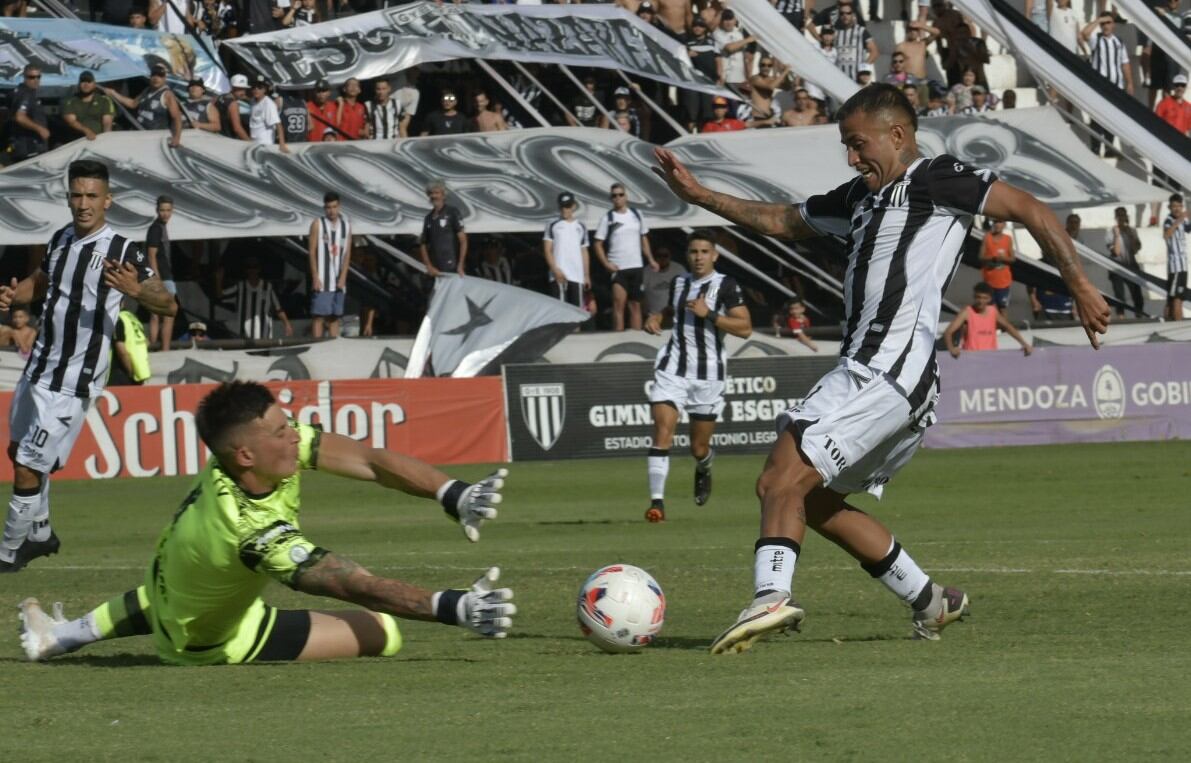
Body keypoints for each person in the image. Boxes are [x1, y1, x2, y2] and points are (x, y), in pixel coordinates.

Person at [652, 83, 1109, 653]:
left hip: (887, 368)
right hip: (891, 376)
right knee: (811, 499)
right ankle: (931, 600)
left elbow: (1031, 208)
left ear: (897, 136)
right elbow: (778, 218)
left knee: (779, 476)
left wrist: (1082, 285)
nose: (851, 157)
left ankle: (770, 597)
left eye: (857, 144)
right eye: (845, 146)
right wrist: (697, 193)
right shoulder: (859, 199)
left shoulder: (938, 178)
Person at [17, 381, 516, 665]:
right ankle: (95, 636)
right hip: (209, 641)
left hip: (169, 582)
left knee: (190, 589)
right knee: (384, 633)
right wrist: (455, 606)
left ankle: (60, 637)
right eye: (282, 432)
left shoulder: (244, 457)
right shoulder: (252, 533)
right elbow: (356, 586)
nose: (296, 437)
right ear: (247, 454)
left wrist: (451, 492)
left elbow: (365, 458)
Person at [0, 160, 178, 573]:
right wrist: (15, 296)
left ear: (107, 201)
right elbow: (41, 281)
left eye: (92, 196)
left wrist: (137, 290)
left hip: (72, 379)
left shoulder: (123, 250)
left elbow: (169, 305)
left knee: (28, 464)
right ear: (68, 197)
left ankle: (8, 553)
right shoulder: (61, 238)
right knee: (16, 450)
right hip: (39, 366)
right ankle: (41, 533)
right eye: (77, 195)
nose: (83, 204)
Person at [643, 230, 751, 523]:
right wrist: (656, 317)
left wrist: (710, 314)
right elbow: (670, 309)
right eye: (693, 252)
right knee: (663, 431)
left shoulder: (726, 285)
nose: (699, 257)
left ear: (714, 255)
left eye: (704, 252)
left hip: (709, 375)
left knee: (698, 447)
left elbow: (744, 328)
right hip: (672, 368)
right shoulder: (680, 282)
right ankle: (657, 504)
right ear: (688, 256)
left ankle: (704, 465)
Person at [594, 182, 656, 332]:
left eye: (620, 195)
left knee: (635, 304)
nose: (618, 198)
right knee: (618, 304)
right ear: (611, 198)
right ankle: (618, 337)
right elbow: (597, 243)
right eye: (614, 196)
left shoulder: (636, 214)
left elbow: (643, 238)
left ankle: (636, 338)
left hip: (636, 266)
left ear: (626, 196)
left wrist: (651, 259)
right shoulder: (608, 217)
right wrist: (606, 264)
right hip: (618, 267)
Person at [1081, 13, 1133, 157]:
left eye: (1108, 22)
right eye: (1103, 23)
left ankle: (1110, 147)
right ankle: (1096, 147)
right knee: (1097, 117)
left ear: (1113, 24)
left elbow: (1125, 63)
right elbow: (1084, 34)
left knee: (1113, 118)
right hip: (1099, 86)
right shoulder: (1096, 39)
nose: (1106, 26)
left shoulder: (1119, 42)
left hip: (1116, 86)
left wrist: (1129, 83)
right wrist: (1098, 20)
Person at [103, 64, 183, 149]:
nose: (156, 78)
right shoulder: (147, 90)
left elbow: (177, 117)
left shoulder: (167, 94)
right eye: (154, 75)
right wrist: (114, 93)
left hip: (154, 138)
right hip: (138, 133)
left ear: (164, 79)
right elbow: (133, 104)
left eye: (160, 76)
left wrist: (176, 138)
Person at [943, 282, 1033, 357]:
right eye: (978, 297)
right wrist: (951, 349)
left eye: (984, 298)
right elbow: (948, 332)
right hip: (971, 358)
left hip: (991, 357)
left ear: (990, 299)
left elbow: (1008, 327)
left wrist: (1024, 344)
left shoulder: (993, 311)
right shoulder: (967, 312)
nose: (981, 301)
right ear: (974, 297)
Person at [308, 191, 351, 338]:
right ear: (324, 208)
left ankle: (333, 350)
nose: (331, 211)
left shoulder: (346, 226)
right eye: (328, 207)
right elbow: (312, 252)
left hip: (339, 280)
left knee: (334, 317)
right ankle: (316, 349)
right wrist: (315, 276)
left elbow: (347, 254)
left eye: (334, 207)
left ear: (339, 206)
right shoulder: (317, 224)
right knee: (318, 316)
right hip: (323, 279)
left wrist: (344, 276)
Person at [223, 257, 293, 339]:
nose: (252, 270)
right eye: (249, 267)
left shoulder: (268, 287)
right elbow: (221, 295)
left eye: (255, 267)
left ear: (259, 269)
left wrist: (287, 324)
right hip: (244, 335)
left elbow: (278, 308)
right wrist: (218, 279)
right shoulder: (240, 287)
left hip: (264, 335)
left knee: (263, 350)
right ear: (246, 270)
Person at [543, 192, 591, 309]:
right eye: (563, 206)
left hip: (577, 275)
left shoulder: (581, 226)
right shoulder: (552, 224)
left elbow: (584, 251)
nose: (565, 210)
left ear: (574, 206)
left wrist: (586, 275)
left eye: (568, 206)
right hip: (558, 274)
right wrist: (555, 270)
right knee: (560, 311)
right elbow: (547, 250)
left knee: (578, 312)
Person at [145, 195, 180, 351]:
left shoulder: (160, 227)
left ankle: (154, 349)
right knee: (168, 315)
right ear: (157, 210)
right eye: (162, 210)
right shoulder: (156, 228)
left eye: (168, 210)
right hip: (163, 277)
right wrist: (157, 279)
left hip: (162, 276)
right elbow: (151, 255)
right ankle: (164, 351)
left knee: (156, 315)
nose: (165, 213)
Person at [682, 18, 722, 132]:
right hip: (692, 82)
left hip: (708, 81)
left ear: (705, 28)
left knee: (707, 111)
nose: (697, 28)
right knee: (692, 113)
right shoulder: (687, 42)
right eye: (695, 25)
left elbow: (718, 59)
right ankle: (690, 135)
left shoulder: (712, 42)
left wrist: (720, 75)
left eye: (700, 26)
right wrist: (687, 55)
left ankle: (704, 133)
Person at [1105, 206, 1143, 317]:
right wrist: (1117, 235)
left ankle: (1139, 317)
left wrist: (1130, 235)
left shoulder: (1132, 231)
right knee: (1119, 296)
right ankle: (1121, 318)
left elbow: (1135, 250)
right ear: (1116, 217)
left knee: (1137, 296)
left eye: (1123, 215)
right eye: (1119, 215)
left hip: (1131, 265)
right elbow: (1116, 252)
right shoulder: (1110, 232)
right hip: (1117, 267)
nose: (1121, 218)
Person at [8, 65, 50, 162]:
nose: (35, 80)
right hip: (29, 146)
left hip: (23, 144)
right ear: (24, 77)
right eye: (31, 77)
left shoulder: (19, 92)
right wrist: (40, 129)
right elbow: (20, 117)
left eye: (38, 77)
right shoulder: (26, 94)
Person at [62, 71, 116, 142]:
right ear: (79, 84)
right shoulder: (70, 101)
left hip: (100, 140)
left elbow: (107, 123)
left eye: (89, 81)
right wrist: (87, 131)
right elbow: (71, 121)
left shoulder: (104, 100)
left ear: (94, 84)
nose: (86, 84)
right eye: (83, 81)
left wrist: (106, 139)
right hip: (77, 141)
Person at [834, 3, 878, 83]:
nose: (845, 16)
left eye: (848, 13)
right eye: (842, 13)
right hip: (839, 81)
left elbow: (874, 52)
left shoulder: (861, 31)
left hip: (856, 81)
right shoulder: (836, 32)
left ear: (853, 15)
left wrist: (862, 69)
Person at [109, 307, 151, 386]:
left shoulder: (117, 319)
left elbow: (122, 352)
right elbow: (146, 342)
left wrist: (130, 373)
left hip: (122, 372)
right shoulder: (132, 317)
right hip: (139, 371)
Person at [713, 10, 754, 90]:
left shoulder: (739, 34)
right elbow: (729, 48)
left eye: (730, 19)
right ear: (721, 21)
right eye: (726, 19)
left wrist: (748, 77)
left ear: (735, 20)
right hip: (725, 79)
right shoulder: (717, 33)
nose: (728, 22)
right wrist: (748, 40)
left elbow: (745, 58)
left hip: (740, 78)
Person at [1164, 194, 1190, 321]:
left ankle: (1168, 326)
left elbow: (1188, 228)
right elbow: (1166, 235)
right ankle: (1177, 327)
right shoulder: (1169, 220)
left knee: (1172, 298)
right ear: (1169, 207)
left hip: (1183, 266)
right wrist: (1179, 220)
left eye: (1179, 206)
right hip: (1176, 267)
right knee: (1176, 299)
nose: (1177, 209)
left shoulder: (1182, 221)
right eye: (1174, 206)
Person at [980, 219, 1015, 310]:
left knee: (1002, 309)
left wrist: (1003, 259)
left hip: (1004, 282)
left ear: (1004, 224)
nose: (998, 224)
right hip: (989, 281)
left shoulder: (1008, 239)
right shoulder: (987, 237)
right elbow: (980, 257)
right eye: (995, 222)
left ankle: (1002, 324)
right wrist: (993, 258)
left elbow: (1013, 259)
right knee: (989, 309)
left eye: (1000, 222)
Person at [643, 246, 687, 317]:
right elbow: (641, 295)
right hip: (652, 316)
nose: (662, 258)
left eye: (665, 255)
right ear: (654, 257)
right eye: (659, 255)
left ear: (670, 256)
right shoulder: (646, 271)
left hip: (675, 316)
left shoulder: (679, 269)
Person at [248, 78, 289, 152]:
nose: (256, 89)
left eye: (260, 87)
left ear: (265, 90)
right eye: (254, 87)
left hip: (265, 144)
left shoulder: (268, 104)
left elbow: (278, 124)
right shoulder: (252, 101)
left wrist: (282, 144)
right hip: (254, 142)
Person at [218, 74, 251, 141]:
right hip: (228, 139)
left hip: (217, 135)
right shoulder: (233, 104)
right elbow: (237, 128)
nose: (243, 92)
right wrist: (249, 141)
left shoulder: (220, 98)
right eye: (239, 89)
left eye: (244, 89)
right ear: (233, 88)